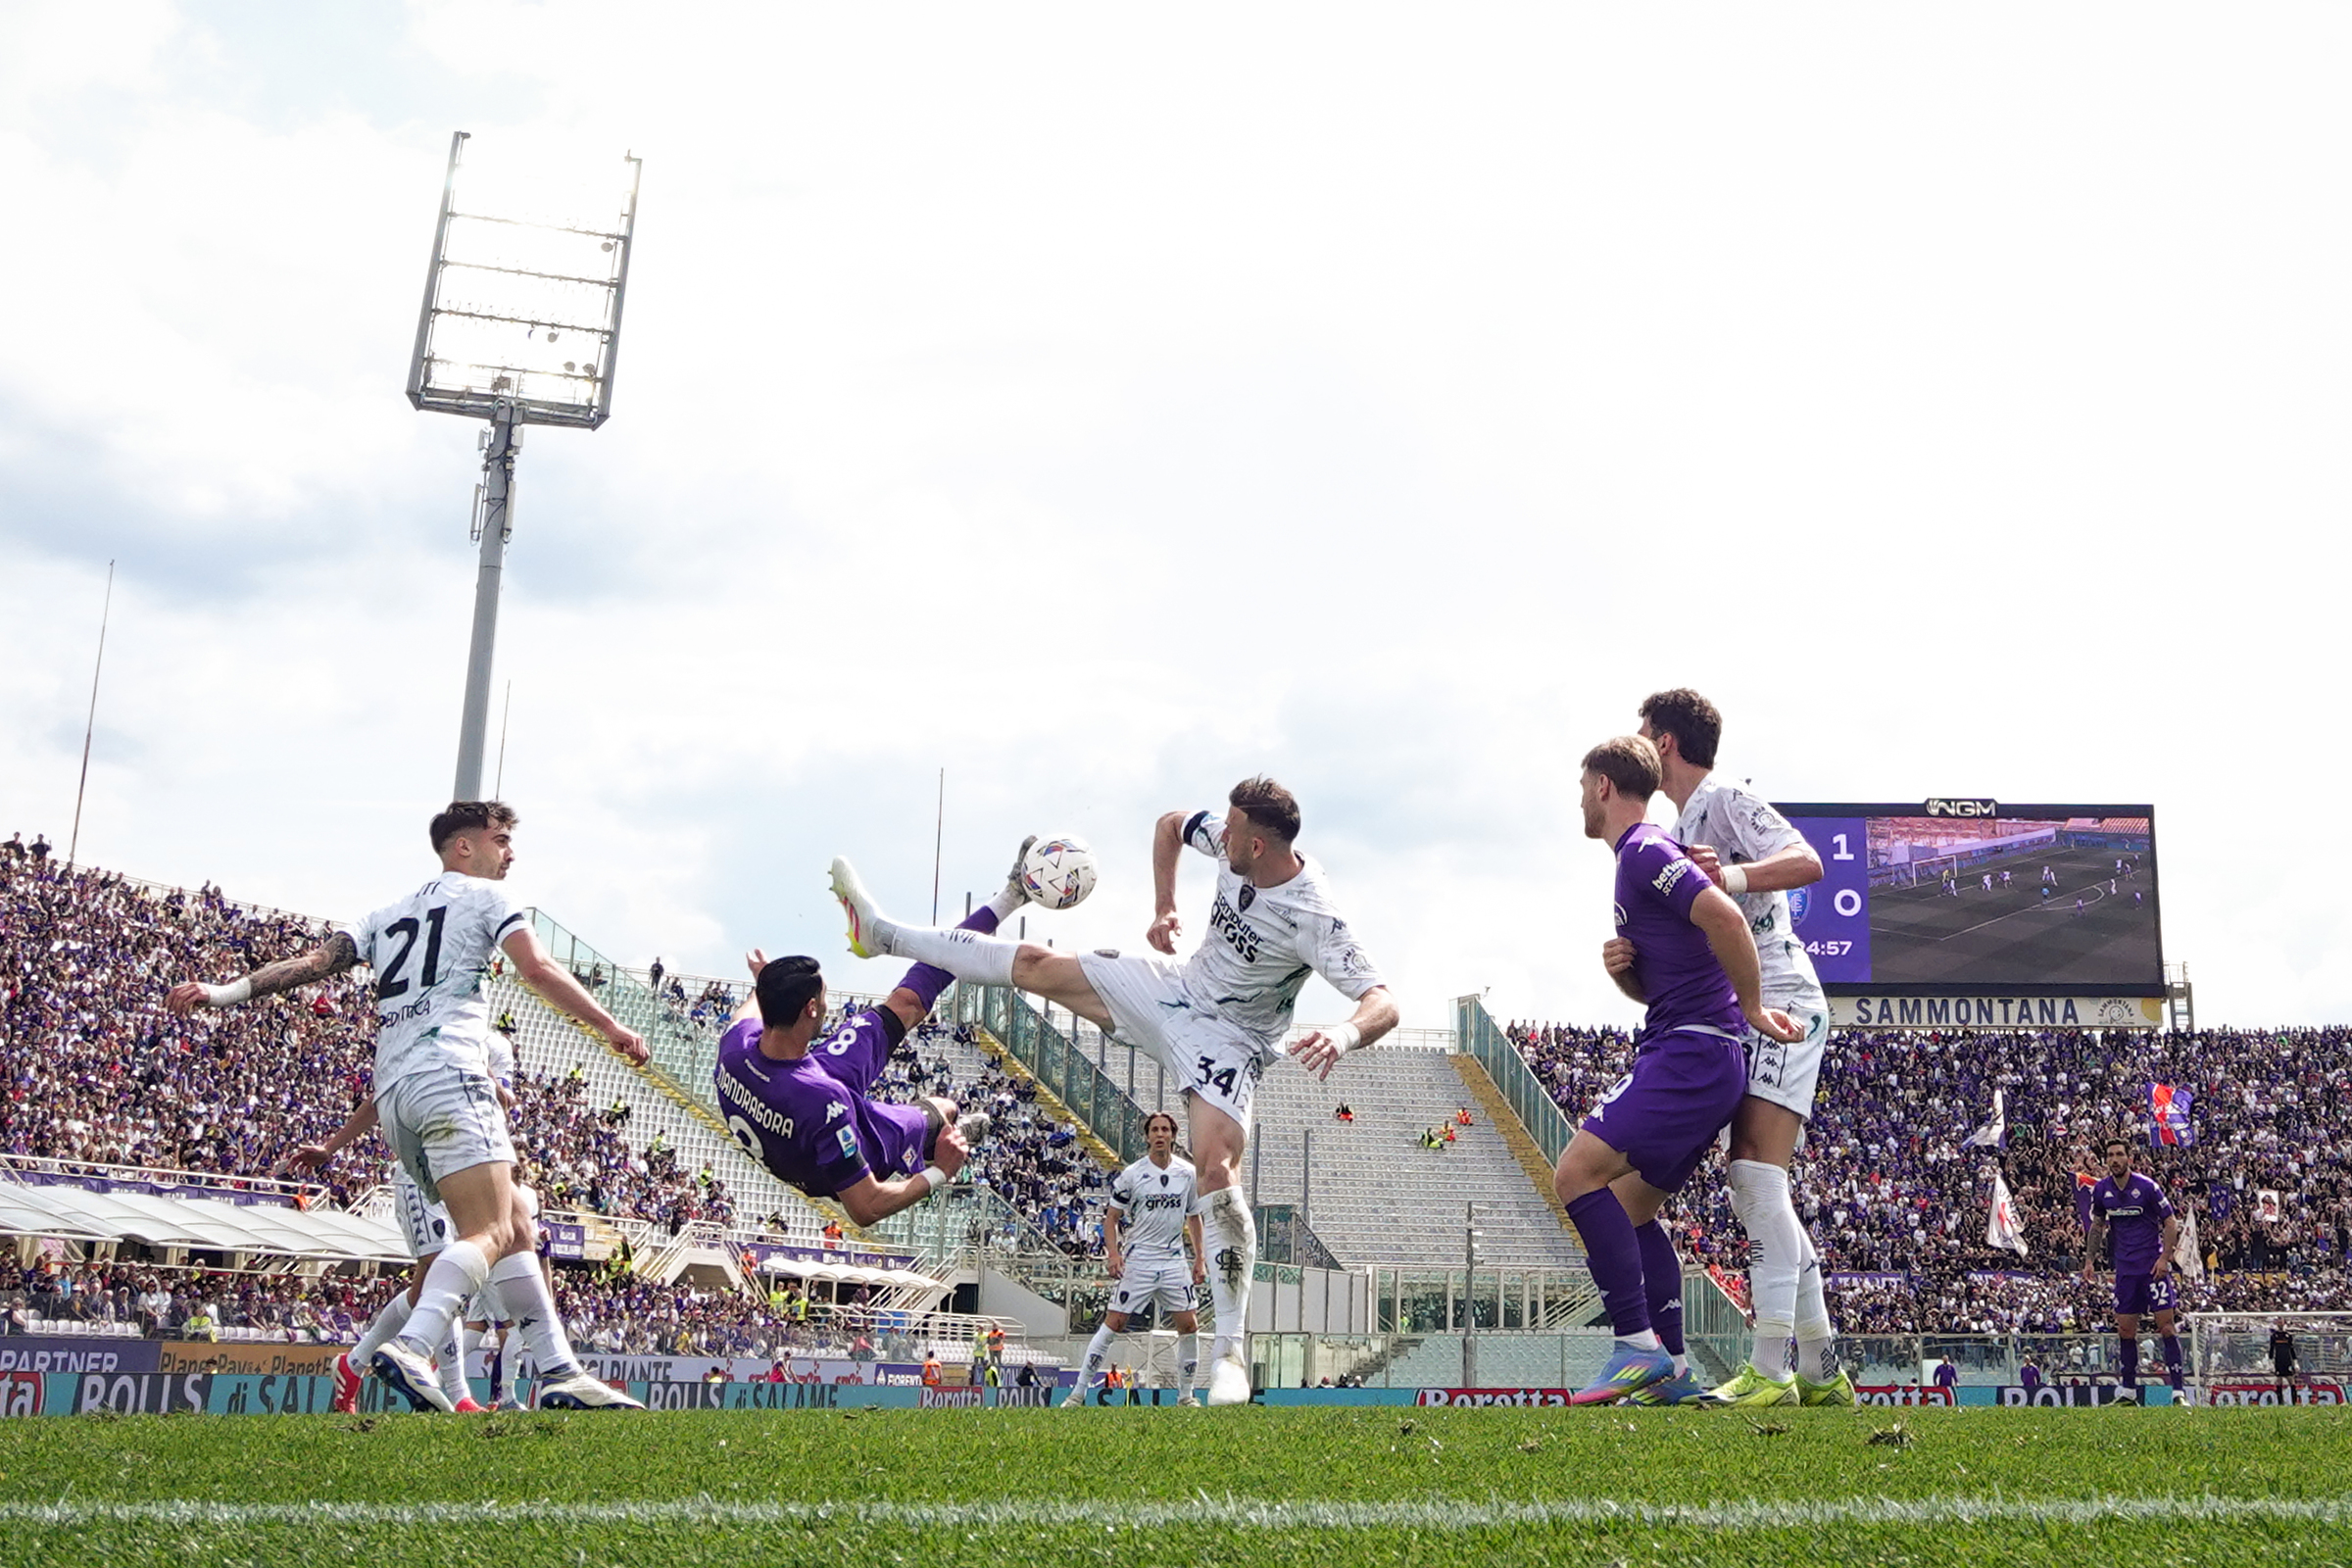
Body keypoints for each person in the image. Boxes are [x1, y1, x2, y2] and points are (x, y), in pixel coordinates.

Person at [828, 775, 1396, 1406]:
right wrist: (1164, 906)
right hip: (1176, 989)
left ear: (1259, 846)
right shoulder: (1231, 839)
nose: (1222, 834)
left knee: (1215, 1171)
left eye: (1233, 831)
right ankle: (883, 935)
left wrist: (1344, 1035)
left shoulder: (1313, 913)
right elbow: (1169, 825)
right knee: (1038, 968)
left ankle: (1229, 1351)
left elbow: (1383, 1002)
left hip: (1230, 1040)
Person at [167, 799, 646, 1413]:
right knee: (491, 1230)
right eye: (500, 840)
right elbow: (538, 966)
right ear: (463, 846)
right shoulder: (487, 899)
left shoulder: (384, 916)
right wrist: (612, 1029)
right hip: (450, 1074)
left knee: (516, 1222)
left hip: (396, 1096)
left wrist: (224, 991)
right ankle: (412, 1346)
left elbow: (316, 964)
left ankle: (558, 1371)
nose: (511, 853)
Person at [1565, 735, 1799, 1406]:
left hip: (1692, 1052)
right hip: (1694, 1048)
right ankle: (1673, 1365)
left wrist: (1751, 1006)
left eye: (1583, 785)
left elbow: (1725, 916)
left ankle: (1635, 1346)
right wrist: (1629, 978)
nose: (1580, 798)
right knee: (1630, 1207)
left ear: (1604, 786)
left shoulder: (1642, 850)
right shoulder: (1640, 857)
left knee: (1575, 1175)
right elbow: (1678, 973)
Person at [1637, 689, 1850, 1408]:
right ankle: (1820, 1371)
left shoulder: (1724, 797)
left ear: (1665, 742)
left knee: (1755, 1180)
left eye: (1644, 732)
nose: (1639, 742)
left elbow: (1807, 860)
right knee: (1760, 1185)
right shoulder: (1682, 823)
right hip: (1749, 1004)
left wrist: (1725, 876)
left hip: (1782, 998)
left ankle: (1771, 1368)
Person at [709, 841, 1038, 1225]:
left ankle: (1012, 895)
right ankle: (932, 1146)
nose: (828, 1004)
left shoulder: (737, 1046)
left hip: (800, 1077)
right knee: (944, 1109)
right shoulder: (823, 1101)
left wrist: (764, 979)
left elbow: (751, 1005)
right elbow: (866, 1208)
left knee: (906, 1004)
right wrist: (940, 1172)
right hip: (837, 1140)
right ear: (810, 1009)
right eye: (824, 996)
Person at [1064, 1111, 1206, 1406]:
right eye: (1154, 1129)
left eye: (1165, 1129)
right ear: (1147, 1136)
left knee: (1189, 1325)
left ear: (1173, 1135)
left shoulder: (1187, 1173)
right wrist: (1113, 1254)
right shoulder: (1132, 1174)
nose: (1159, 1134)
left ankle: (1186, 1396)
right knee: (1114, 1322)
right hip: (1139, 1259)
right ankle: (1078, 1393)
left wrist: (1199, 1259)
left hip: (1172, 1261)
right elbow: (1111, 1218)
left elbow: (1194, 1217)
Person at [2083, 1135, 2185, 1402]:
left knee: (2166, 1328)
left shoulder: (2148, 1187)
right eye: (2110, 1155)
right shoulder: (2101, 1190)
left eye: (2119, 1154)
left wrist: (2165, 1258)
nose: (2115, 1160)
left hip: (2152, 1268)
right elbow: (2097, 1226)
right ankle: (2128, 1392)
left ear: (2129, 1158)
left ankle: (2178, 1392)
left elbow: (2171, 1222)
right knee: (2126, 1330)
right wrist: (2089, 1260)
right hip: (2125, 1270)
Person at [2271, 1322, 2299, 1395]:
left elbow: (2292, 1349)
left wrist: (2295, 1362)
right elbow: (2271, 1349)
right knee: (2279, 1380)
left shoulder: (2288, 1336)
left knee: (2291, 1380)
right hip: (2278, 1360)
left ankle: (2294, 1402)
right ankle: (2280, 1403)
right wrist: (2270, 1362)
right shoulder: (2274, 1336)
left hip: (2287, 1360)